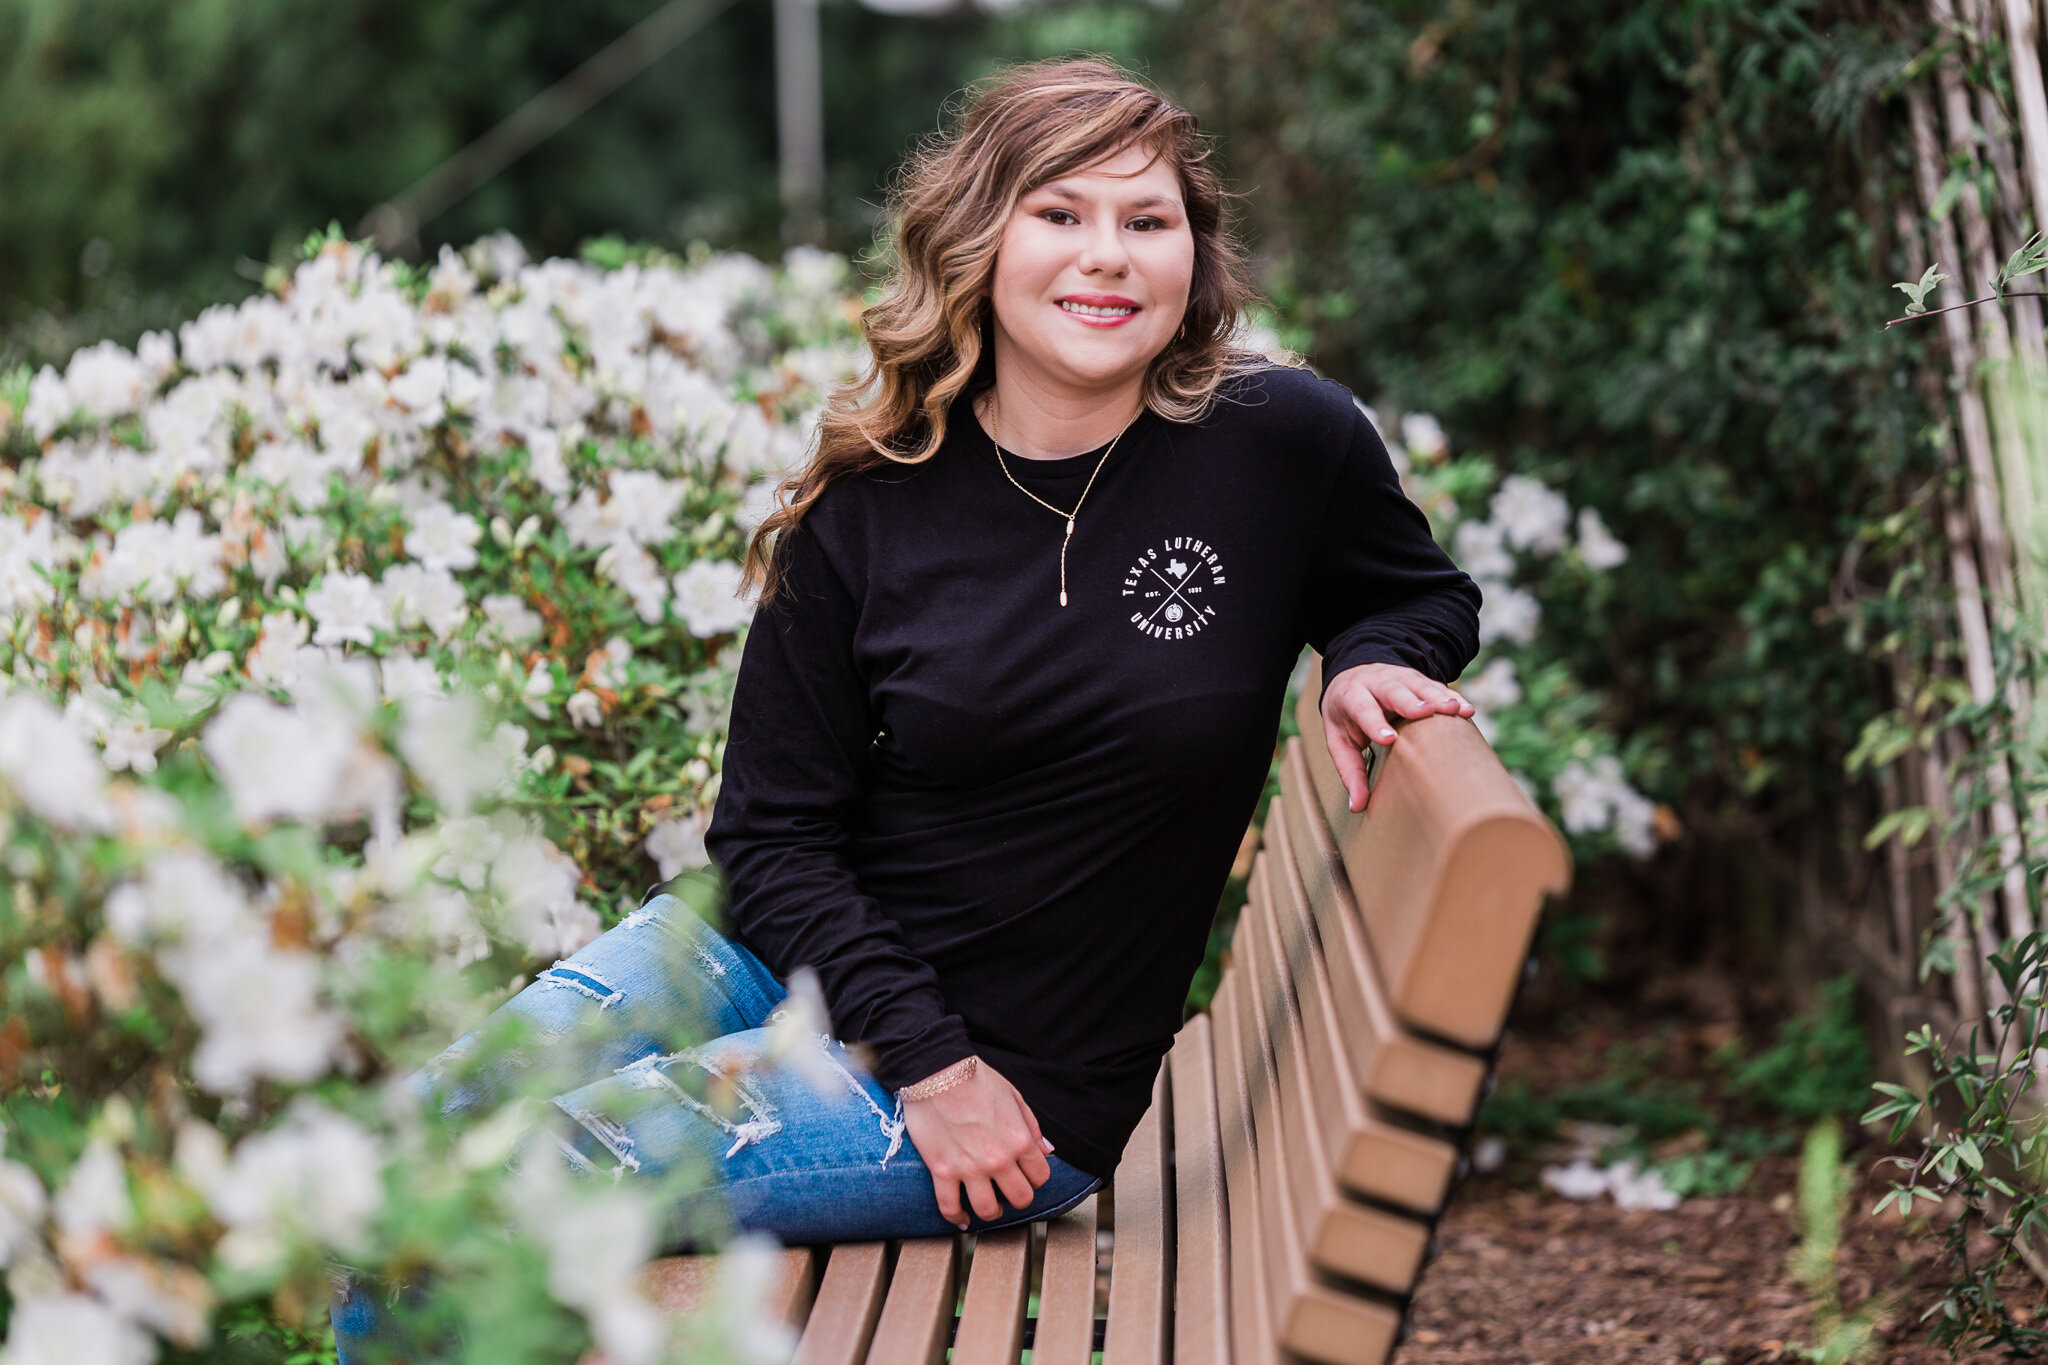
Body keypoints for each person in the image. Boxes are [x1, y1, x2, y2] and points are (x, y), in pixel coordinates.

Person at [333, 53, 1481, 1360]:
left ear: (1194, 261)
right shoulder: (871, 504)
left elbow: (1415, 590)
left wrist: (1386, 647)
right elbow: (767, 837)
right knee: (404, 1150)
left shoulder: (1281, 443)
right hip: (799, 975)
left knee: (491, 1187)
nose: (1107, 256)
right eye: (1061, 214)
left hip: (1018, 1085)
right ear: (979, 240)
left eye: (1146, 221)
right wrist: (926, 1053)